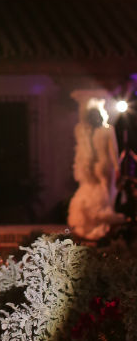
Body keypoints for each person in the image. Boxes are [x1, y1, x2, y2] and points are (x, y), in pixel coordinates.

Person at [68, 99, 125, 240]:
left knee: (92, 195)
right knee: (105, 196)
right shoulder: (108, 130)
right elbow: (114, 151)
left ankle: (93, 225)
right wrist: (117, 169)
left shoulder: (87, 132)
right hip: (104, 167)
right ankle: (101, 227)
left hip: (91, 167)